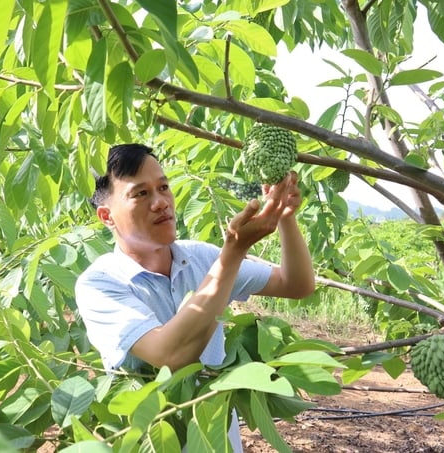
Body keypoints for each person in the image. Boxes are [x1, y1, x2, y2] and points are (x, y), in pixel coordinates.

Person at [74, 143, 315, 450]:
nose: (161, 202)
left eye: (163, 187)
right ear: (107, 216)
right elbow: (170, 356)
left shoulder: (201, 257)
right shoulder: (100, 283)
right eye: (141, 194)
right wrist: (233, 253)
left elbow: (296, 285)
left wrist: (284, 217)